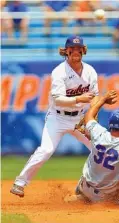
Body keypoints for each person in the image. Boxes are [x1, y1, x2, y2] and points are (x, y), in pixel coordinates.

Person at [10, 35, 100, 198]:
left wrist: (92, 119)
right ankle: (20, 182)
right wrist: (79, 98)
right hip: (57, 118)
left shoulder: (90, 71)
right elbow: (58, 99)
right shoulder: (59, 72)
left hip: (79, 118)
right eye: (72, 49)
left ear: (83, 51)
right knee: (46, 150)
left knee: (99, 148)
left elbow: (95, 98)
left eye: (79, 49)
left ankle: (93, 184)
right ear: (66, 51)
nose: (75, 52)